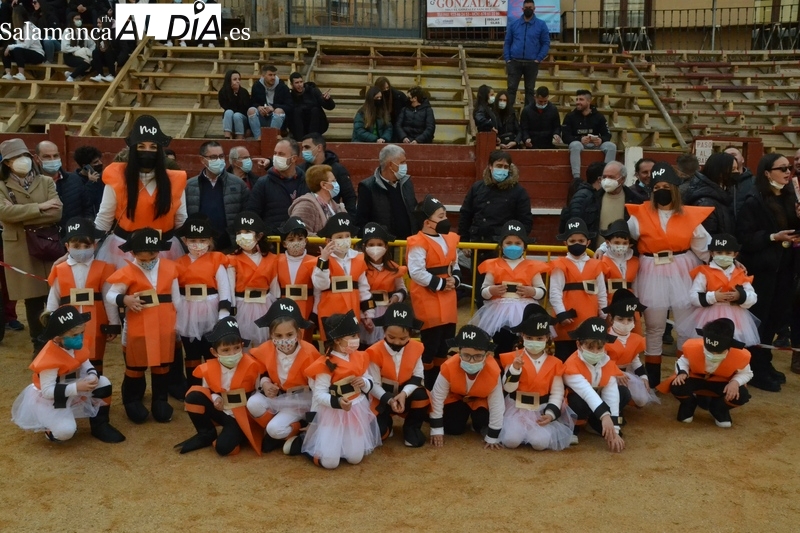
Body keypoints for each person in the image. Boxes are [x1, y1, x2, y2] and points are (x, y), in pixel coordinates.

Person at [609, 162, 712, 388]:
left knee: (686, 324)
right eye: (656, 187)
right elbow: (622, 239)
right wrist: (602, 251)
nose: (661, 190)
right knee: (654, 325)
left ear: (674, 188)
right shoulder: (640, 214)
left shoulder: (689, 216)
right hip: (651, 269)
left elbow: (704, 248)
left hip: (682, 267)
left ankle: (682, 374)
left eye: (665, 186)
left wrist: (728, 266)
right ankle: (653, 379)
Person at [11, 305, 126, 443]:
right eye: (75, 335)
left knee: (103, 383)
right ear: (58, 338)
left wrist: (92, 376)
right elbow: (47, 391)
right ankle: (50, 427)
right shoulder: (49, 357)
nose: (80, 338)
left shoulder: (75, 345)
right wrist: (78, 387)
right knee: (65, 432)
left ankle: (100, 425)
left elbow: (86, 363)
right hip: (52, 398)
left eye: (82, 333)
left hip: (72, 386)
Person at [736, 153, 799, 391]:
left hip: (785, 268)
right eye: (781, 168)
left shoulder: (790, 197)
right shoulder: (753, 200)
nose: (787, 172)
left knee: (776, 318)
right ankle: (754, 367)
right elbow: (744, 238)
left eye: (789, 168)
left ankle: (765, 362)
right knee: (759, 321)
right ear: (766, 172)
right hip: (761, 270)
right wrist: (773, 237)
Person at [106, 227, 182, 424]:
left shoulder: (170, 268)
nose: (148, 262)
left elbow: (177, 299)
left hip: (165, 326)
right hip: (138, 327)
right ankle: (132, 399)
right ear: (133, 254)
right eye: (143, 260)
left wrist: (180, 324)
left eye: (152, 257)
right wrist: (126, 299)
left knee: (162, 365)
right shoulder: (126, 271)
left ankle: (160, 400)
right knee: (136, 365)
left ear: (159, 251)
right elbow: (110, 295)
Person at [93, 115, 187, 269]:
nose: (147, 151)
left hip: (164, 248)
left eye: (153, 147)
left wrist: (198, 246)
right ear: (133, 149)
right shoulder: (117, 176)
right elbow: (104, 217)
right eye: (141, 146)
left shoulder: (175, 180)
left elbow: (181, 220)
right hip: (125, 249)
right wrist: (83, 247)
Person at [0, 138, 63, 353]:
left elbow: (57, 212)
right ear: (7, 163)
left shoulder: (46, 181)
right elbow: (4, 213)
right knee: (32, 299)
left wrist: (20, 214)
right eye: (16, 158)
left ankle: (58, 338)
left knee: (55, 294)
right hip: (21, 248)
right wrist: (40, 207)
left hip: (47, 243)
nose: (22, 161)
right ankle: (39, 343)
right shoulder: (1, 184)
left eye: (25, 156)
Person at [302, 310, 382, 469]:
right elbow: (319, 394)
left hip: (356, 409)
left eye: (357, 336)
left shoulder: (360, 357)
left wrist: (364, 382)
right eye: (352, 336)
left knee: (355, 458)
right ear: (338, 340)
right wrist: (337, 402)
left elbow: (371, 381)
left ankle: (340, 444)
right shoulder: (325, 363)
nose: (356, 340)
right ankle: (305, 446)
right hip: (334, 412)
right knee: (330, 463)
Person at [177, 317, 264, 455]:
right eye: (226, 350)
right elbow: (208, 390)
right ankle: (206, 433)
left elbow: (259, 393)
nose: (232, 354)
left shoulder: (252, 366)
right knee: (194, 395)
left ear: (242, 346)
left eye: (236, 348)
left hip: (240, 414)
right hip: (221, 409)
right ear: (214, 352)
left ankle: (238, 434)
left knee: (223, 449)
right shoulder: (209, 368)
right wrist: (215, 398)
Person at [459, 150, 533, 306]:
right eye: (499, 165)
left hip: (504, 251)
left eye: (506, 166)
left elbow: (526, 221)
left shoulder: (519, 192)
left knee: (503, 293)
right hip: (479, 248)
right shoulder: (477, 187)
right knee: (481, 292)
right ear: (490, 167)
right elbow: (465, 214)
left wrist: (515, 244)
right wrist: (465, 241)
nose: (503, 169)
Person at [46, 218, 119, 376]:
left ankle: (96, 394)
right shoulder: (59, 269)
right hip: (67, 326)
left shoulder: (104, 268)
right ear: (67, 246)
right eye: (76, 246)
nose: (82, 249)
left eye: (87, 245)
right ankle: (74, 396)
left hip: (96, 323)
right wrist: (52, 325)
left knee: (95, 360)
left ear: (95, 245)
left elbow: (108, 298)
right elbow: (53, 298)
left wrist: (113, 323)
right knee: (69, 360)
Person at [248, 298, 319, 454]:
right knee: (252, 403)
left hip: (300, 400)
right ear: (271, 335)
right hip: (278, 395)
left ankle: (292, 430)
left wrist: (312, 419)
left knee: (274, 429)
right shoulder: (266, 348)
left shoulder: (309, 352)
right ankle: (276, 430)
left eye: (289, 334)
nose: (284, 340)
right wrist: (265, 384)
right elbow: (262, 370)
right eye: (278, 336)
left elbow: (317, 388)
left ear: (299, 334)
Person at [498, 304, 573, 451]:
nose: (534, 341)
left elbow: (557, 393)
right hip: (516, 408)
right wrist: (515, 369)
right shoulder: (512, 358)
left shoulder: (555, 363)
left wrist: (550, 414)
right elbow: (507, 387)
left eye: (539, 338)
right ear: (522, 336)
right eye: (530, 337)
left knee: (540, 443)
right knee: (510, 441)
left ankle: (533, 433)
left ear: (547, 338)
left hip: (541, 409)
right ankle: (521, 432)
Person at [469, 220, 549, 355]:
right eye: (509, 243)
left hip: (524, 311)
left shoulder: (533, 266)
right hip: (498, 312)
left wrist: (532, 291)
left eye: (518, 243)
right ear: (501, 245)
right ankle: (501, 366)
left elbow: (542, 290)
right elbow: (483, 291)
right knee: (502, 343)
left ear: (524, 246)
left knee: (522, 343)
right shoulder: (492, 265)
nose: (513, 246)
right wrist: (491, 290)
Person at [656, 318, 752, 428]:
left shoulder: (740, 355)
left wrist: (735, 382)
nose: (713, 354)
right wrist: (682, 372)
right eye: (709, 350)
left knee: (741, 394)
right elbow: (683, 361)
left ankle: (718, 408)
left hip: (723, 383)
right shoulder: (692, 347)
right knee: (677, 384)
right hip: (696, 378)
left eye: (719, 352)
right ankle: (689, 404)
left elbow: (747, 373)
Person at [408, 195, 460, 386]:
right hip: (427, 297)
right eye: (441, 216)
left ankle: (440, 384)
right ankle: (427, 383)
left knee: (445, 343)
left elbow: (454, 263)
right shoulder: (417, 242)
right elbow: (416, 272)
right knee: (431, 344)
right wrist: (440, 284)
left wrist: (456, 279)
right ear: (427, 222)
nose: (445, 219)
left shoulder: (450, 239)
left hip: (448, 297)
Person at [175, 214, 232, 388]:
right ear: (185, 240)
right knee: (191, 353)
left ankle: (212, 388)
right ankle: (193, 389)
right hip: (188, 310)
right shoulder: (178, 263)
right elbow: (175, 292)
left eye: (202, 240)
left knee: (210, 351)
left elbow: (224, 287)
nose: (197, 244)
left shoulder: (216, 259)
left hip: (211, 309)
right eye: (193, 240)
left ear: (209, 240)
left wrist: (224, 313)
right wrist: (178, 312)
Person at [429, 325, 504, 450]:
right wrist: (436, 429)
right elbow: (437, 397)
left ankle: (477, 424)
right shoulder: (448, 367)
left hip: (480, 401)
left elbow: (497, 403)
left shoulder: (494, 371)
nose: (472, 361)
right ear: (459, 353)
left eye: (478, 356)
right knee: (453, 429)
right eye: (466, 355)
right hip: (457, 398)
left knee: (482, 422)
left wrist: (493, 435)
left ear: (487, 355)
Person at [366, 302, 429, 447]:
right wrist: (389, 400)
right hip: (382, 397)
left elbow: (418, 376)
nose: (397, 342)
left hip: (405, 394)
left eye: (403, 338)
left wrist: (404, 394)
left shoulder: (417, 347)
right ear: (384, 331)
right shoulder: (374, 351)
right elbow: (373, 384)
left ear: (411, 334)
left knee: (422, 394)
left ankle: (411, 428)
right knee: (379, 435)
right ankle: (386, 422)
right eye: (391, 337)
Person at [684, 233, 759, 351]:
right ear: (712, 253)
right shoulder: (704, 272)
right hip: (708, 316)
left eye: (728, 253)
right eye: (719, 253)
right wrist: (714, 296)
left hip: (736, 317)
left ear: (735, 254)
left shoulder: (740, 273)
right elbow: (693, 296)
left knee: (733, 347)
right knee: (707, 346)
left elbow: (753, 297)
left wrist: (740, 296)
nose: (723, 256)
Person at [549, 217, 607, 362]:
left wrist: (604, 314)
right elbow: (555, 292)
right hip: (567, 321)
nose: (577, 244)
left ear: (588, 242)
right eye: (572, 241)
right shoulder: (559, 264)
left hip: (589, 319)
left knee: (587, 357)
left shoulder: (596, 265)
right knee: (564, 358)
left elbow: (601, 293)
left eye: (581, 241)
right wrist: (561, 313)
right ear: (565, 243)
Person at [562, 318, 625, 451]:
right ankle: (573, 427)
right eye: (590, 347)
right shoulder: (570, 365)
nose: (596, 352)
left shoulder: (606, 361)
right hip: (578, 402)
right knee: (577, 402)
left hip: (597, 404)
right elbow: (587, 392)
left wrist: (615, 429)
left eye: (600, 347)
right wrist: (605, 415)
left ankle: (594, 423)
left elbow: (611, 393)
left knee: (623, 392)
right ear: (579, 345)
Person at [311, 213, 374, 340]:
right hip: (329, 313)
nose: (344, 239)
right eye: (339, 237)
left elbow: (363, 289)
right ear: (328, 241)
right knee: (332, 348)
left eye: (347, 236)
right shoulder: (321, 261)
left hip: (352, 311)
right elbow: (320, 285)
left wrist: (368, 314)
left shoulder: (359, 258)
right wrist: (324, 260)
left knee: (351, 347)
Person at [226, 211, 278, 350]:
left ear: (259, 235)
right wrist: (231, 310)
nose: (243, 235)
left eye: (248, 231)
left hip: (265, 306)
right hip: (242, 306)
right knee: (244, 345)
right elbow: (230, 288)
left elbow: (275, 290)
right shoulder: (231, 259)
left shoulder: (272, 259)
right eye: (239, 232)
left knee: (265, 345)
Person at [185, 141, 250, 252]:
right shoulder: (189, 186)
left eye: (221, 156)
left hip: (230, 246)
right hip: (199, 247)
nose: (219, 160)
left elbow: (246, 215)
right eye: (213, 157)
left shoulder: (238, 184)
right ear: (202, 159)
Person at [602, 289, 658, 409]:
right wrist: (616, 373)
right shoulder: (603, 338)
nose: (625, 323)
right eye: (620, 319)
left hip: (626, 374)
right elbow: (602, 361)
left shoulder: (636, 339)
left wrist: (643, 377)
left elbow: (635, 360)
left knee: (642, 399)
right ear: (611, 319)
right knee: (618, 392)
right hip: (607, 374)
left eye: (629, 320)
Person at [355, 144, 418, 240]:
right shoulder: (367, 187)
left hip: (408, 243)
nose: (405, 165)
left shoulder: (407, 182)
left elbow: (414, 211)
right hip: (384, 247)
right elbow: (361, 222)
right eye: (402, 162)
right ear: (390, 165)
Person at [359, 223, 407, 347]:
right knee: (364, 346)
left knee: (385, 345)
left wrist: (397, 297)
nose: (375, 248)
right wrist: (363, 314)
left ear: (386, 246)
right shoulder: (359, 267)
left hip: (386, 311)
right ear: (364, 246)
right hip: (365, 312)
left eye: (379, 245)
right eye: (371, 245)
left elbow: (402, 288)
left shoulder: (394, 268)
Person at [245, 138, 308, 236]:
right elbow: (252, 215)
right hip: (273, 243)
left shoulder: (307, 182)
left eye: (281, 154)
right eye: (275, 153)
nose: (276, 157)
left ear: (294, 158)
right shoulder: (262, 183)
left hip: (301, 240)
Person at [275, 217, 318, 341]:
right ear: (284, 243)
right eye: (291, 239)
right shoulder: (277, 261)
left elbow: (317, 291)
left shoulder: (314, 261)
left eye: (300, 239)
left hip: (306, 311)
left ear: (306, 241)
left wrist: (314, 315)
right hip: (283, 312)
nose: (296, 242)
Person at [34, 140, 92, 232]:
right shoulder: (31, 184)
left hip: (74, 237)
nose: (52, 160)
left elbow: (88, 208)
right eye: (47, 157)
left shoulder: (75, 180)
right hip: (44, 240)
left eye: (55, 156)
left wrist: (84, 231)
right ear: (37, 158)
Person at [503, 0, 550, 109]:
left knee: (529, 91)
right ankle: (507, 117)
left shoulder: (541, 25)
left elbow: (546, 43)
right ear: (522, 9)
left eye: (530, 7)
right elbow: (507, 42)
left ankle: (527, 118)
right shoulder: (514, 24)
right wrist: (507, 59)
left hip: (532, 63)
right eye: (526, 7)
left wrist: (539, 58)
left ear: (534, 9)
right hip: (514, 62)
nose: (528, 9)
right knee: (511, 89)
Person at [562, 89, 616, 180]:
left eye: (581, 100)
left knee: (611, 146)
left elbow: (607, 134)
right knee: (575, 145)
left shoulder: (599, 116)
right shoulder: (570, 116)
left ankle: (607, 176)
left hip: (595, 144)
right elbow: (565, 137)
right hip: (579, 144)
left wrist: (600, 140)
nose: (578, 102)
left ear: (589, 101)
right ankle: (576, 178)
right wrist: (580, 139)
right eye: (577, 99)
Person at [297, 133, 357, 215]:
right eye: (302, 148)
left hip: (332, 218)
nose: (303, 151)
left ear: (319, 147)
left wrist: (349, 220)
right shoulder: (300, 169)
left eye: (307, 147)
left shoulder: (338, 169)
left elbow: (349, 197)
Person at [598, 219, 641, 333]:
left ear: (629, 244)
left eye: (624, 243)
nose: (620, 246)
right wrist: (602, 309)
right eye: (617, 243)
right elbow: (600, 287)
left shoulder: (635, 261)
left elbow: (636, 285)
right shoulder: (601, 260)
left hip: (630, 303)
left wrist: (638, 304)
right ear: (608, 243)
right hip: (610, 302)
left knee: (633, 333)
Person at [591, 160, 645, 247]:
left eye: (611, 177)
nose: (607, 180)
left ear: (622, 179)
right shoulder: (592, 199)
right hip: (595, 254)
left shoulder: (635, 200)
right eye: (604, 177)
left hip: (625, 254)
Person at [682, 152, 736, 235]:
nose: (737, 172)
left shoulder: (725, 193)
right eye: (732, 170)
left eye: (737, 169)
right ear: (720, 172)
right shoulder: (705, 203)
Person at [288, 164, 346, 236]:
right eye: (333, 181)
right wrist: (328, 241)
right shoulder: (305, 205)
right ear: (323, 185)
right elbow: (299, 234)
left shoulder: (338, 208)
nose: (336, 184)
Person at [558, 160, 604, 235]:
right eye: (606, 176)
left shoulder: (594, 194)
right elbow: (575, 223)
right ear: (599, 179)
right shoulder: (583, 196)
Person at [286, 72, 335, 140]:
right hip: (299, 126)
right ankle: (300, 140)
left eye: (301, 82)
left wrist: (327, 100)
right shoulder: (290, 95)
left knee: (315, 110)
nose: (300, 85)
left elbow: (330, 107)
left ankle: (313, 139)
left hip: (316, 124)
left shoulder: (313, 91)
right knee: (296, 111)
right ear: (292, 85)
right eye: (297, 83)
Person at [248, 64, 291, 139]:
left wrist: (273, 107)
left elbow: (289, 106)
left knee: (279, 111)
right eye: (270, 75)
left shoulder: (282, 87)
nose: (273, 77)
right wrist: (258, 107)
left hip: (276, 119)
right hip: (262, 116)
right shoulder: (257, 86)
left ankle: (271, 138)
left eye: (274, 75)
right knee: (251, 110)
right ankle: (258, 138)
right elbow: (252, 103)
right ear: (263, 75)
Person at [2, 6, 45, 81]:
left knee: (17, 50)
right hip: (24, 54)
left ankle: (21, 74)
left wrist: (11, 47)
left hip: (37, 54)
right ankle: (8, 74)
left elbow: (26, 45)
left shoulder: (29, 26)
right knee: (5, 50)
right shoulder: (18, 28)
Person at [218, 69, 252, 140]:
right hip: (230, 118)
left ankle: (239, 137)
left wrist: (237, 93)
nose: (237, 81)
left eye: (239, 79)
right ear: (229, 80)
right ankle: (227, 136)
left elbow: (245, 109)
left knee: (236, 115)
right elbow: (226, 107)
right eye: (234, 79)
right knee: (228, 112)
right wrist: (233, 95)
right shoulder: (223, 92)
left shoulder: (244, 92)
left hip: (242, 119)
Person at [60, 13, 94, 82]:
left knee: (95, 62)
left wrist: (89, 52)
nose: (79, 21)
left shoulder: (83, 32)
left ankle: (75, 74)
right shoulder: (67, 31)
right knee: (85, 63)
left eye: (80, 19)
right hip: (70, 55)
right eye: (76, 19)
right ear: (72, 20)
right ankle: (71, 78)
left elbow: (92, 44)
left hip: (82, 55)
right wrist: (77, 49)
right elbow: (64, 48)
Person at [73, 144, 104, 216]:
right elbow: (84, 202)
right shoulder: (75, 181)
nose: (100, 163)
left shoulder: (101, 178)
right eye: (95, 162)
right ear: (85, 166)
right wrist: (91, 183)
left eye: (99, 160)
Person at [723, 146, 754, 216]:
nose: (731, 158)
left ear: (742, 159)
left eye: (733, 155)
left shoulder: (754, 182)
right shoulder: (720, 183)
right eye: (727, 156)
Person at [89, 16, 115, 82]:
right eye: (97, 23)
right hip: (104, 57)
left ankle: (112, 74)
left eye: (99, 23)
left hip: (113, 57)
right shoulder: (99, 33)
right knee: (95, 52)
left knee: (108, 51)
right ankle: (100, 74)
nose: (98, 25)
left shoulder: (113, 33)